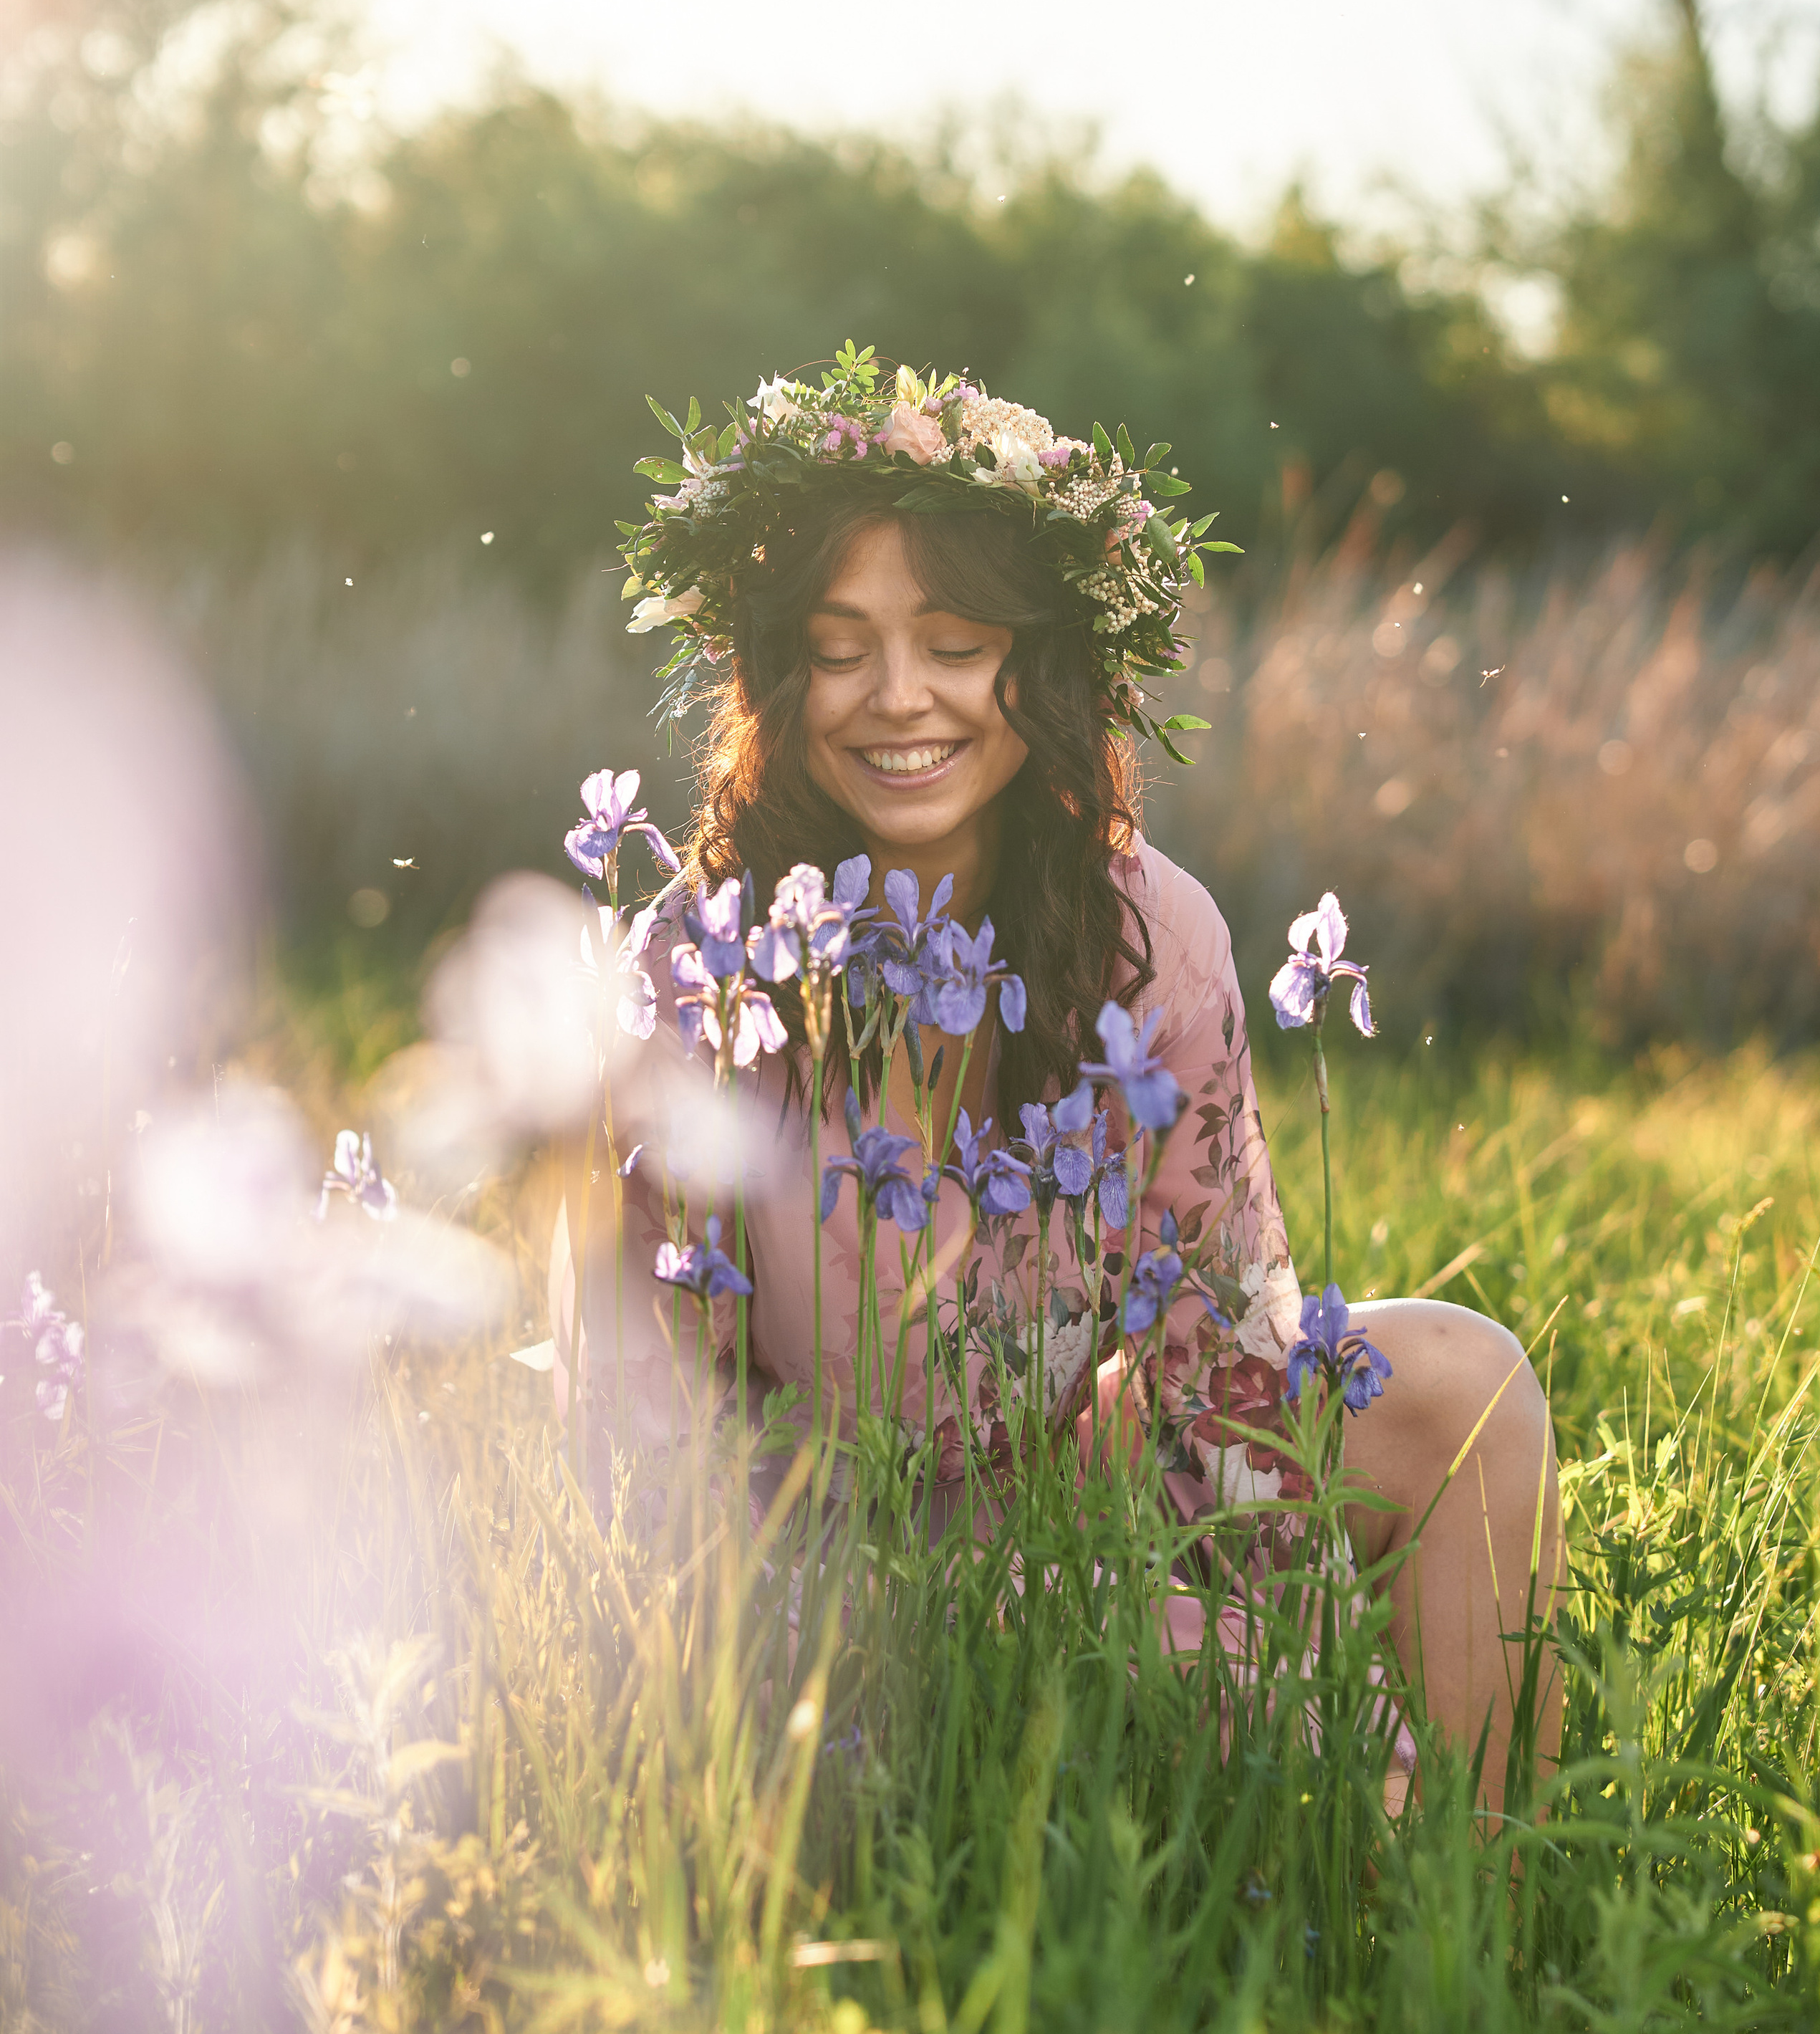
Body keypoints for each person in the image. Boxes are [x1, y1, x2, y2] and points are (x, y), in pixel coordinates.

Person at [552, 351, 1561, 1822]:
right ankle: (1318, 1824)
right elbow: (658, 1417)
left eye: (956, 641)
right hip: (811, 1552)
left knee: (1466, 1380)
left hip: (1077, 1484)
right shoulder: (698, 964)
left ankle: (1498, 1906)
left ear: (1044, 664)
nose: (898, 698)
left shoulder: (1148, 933)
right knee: (1278, 1769)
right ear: (778, 676)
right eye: (837, 649)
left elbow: (1209, 1338)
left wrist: (1171, 1596)